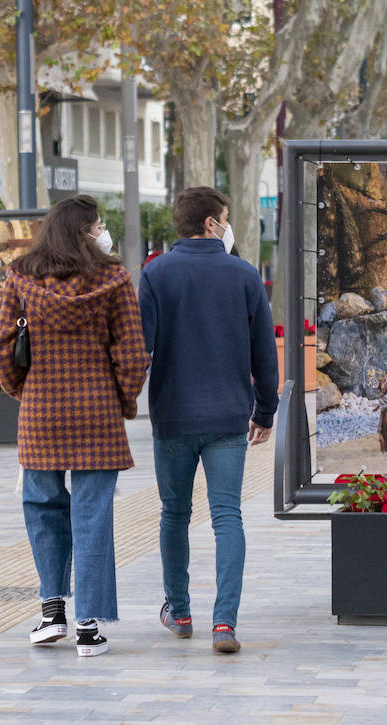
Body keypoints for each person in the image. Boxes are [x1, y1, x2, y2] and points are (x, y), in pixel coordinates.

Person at [0, 195, 149, 658]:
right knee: (93, 515)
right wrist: (121, 398)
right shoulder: (114, 279)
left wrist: (26, 391)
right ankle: (89, 625)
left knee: (42, 507)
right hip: (96, 412)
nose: (103, 231)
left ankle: (51, 611)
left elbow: (2, 346)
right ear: (84, 232)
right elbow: (133, 353)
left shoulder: (21, 277)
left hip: (41, 412)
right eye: (98, 225)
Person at [138, 186, 278, 655]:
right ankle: (224, 624)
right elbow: (265, 352)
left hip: (173, 415)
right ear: (210, 224)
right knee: (227, 516)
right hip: (227, 418)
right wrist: (266, 409)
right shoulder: (244, 274)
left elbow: (142, 350)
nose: (227, 223)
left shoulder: (155, 275)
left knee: (174, 515)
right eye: (225, 216)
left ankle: (178, 611)